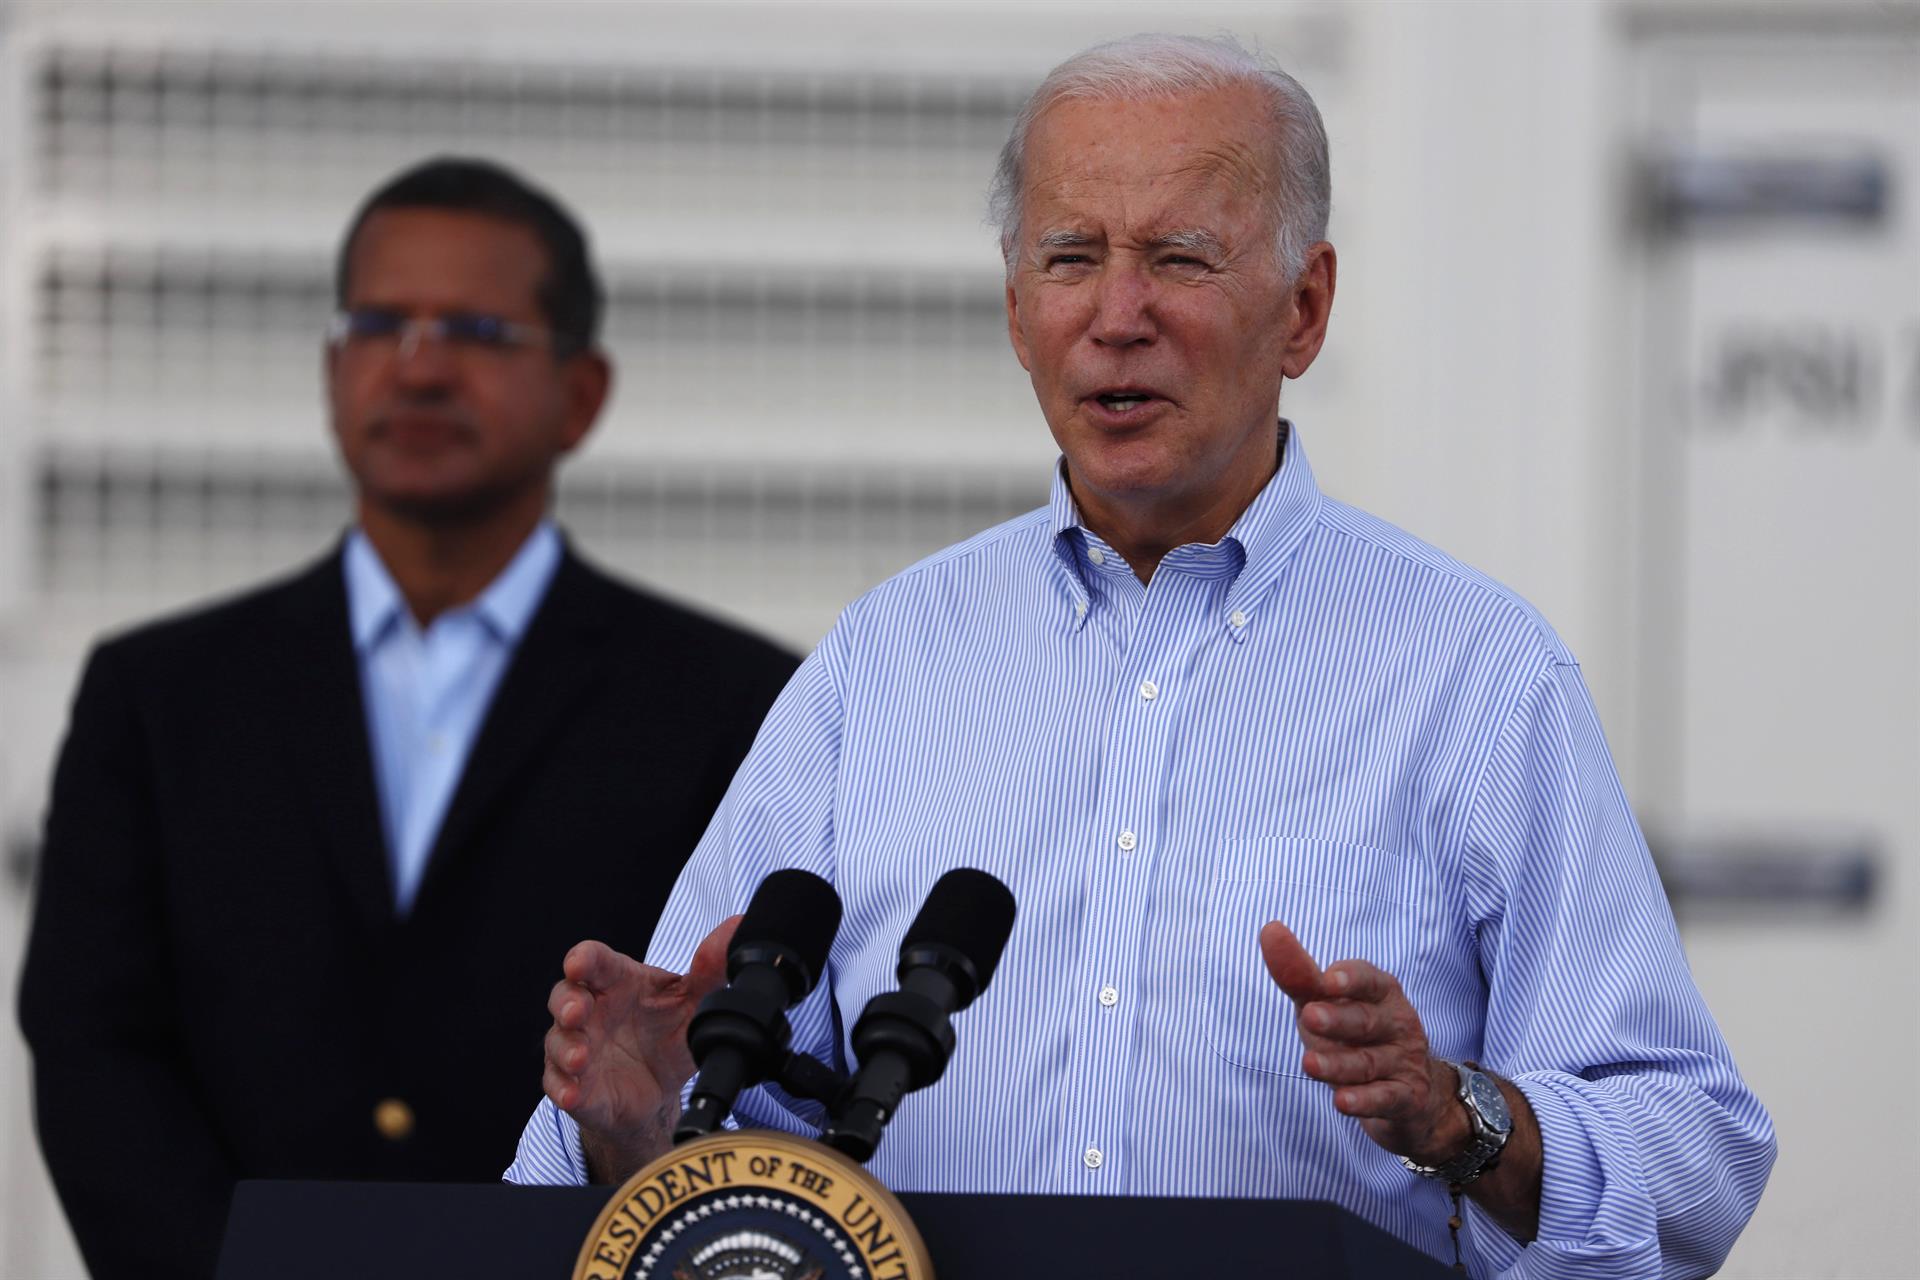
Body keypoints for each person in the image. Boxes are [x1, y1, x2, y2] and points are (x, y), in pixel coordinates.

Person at [507, 35, 1774, 1278]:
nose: (1119, 317)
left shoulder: (1475, 674)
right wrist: (638, 1124)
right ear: (1016, 311)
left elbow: (1696, 1163)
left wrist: (1460, 1117)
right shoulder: (886, 660)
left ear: (1306, 309)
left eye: (1180, 257)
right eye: (1072, 259)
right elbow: (725, 1157)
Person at [17, 158, 797, 1280]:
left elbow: (738, 1052)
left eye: (478, 329)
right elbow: (95, 1042)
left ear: (581, 392)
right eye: (381, 322)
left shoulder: (735, 701)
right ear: (334, 369)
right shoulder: (160, 693)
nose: (420, 366)